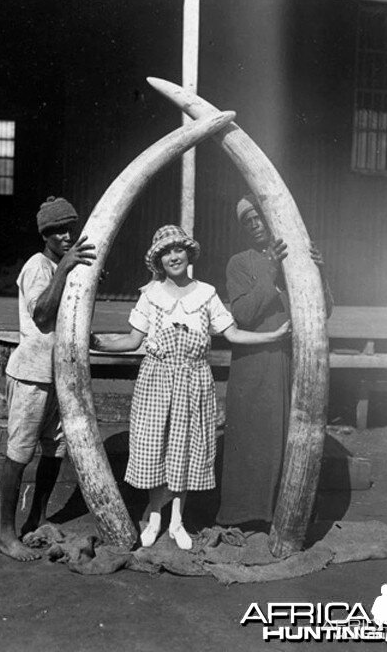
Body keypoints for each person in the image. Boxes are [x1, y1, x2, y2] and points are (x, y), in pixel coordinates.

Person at [91, 225, 290, 551]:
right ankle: (155, 515)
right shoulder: (150, 295)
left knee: (185, 450)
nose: (174, 256)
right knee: (156, 449)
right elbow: (130, 340)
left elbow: (234, 334)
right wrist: (94, 341)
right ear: (158, 259)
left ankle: (177, 521)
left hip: (194, 381)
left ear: (188, 253)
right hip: (156, 380)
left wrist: (272, 336)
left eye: (179, 249)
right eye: (166, 252)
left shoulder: (206, 294)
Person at [216, 193, 333, 529]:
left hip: (292, 361)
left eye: (259, 218)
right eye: (247, 221)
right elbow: (242, 313)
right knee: (254, 436)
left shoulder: (296, 259)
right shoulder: (240, 262)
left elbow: (322, 310)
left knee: (289, 435)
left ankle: (284, 513)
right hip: (256, 362)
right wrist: (269, 269)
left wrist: (318, 272)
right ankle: (243, 514)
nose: (255, 226)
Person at [0, 196, 96, 561]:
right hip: (31, 375)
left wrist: (79, 274)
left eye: (71, 228)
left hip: (60, 376)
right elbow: (41, 315)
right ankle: (6, 534)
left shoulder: (64, 266)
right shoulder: (38, 266)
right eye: (58, 232)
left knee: (55, 451)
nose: (67, 236)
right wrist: (66, 268)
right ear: (45, 235)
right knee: (19, 452)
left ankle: (35, 520)